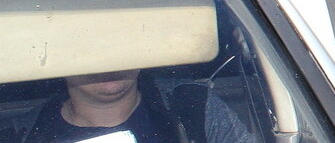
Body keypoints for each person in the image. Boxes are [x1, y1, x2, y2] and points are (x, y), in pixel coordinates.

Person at [13, 69, 257, 142]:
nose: (109, 61)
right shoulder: (19, 134)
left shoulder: (192, 107)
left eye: (119, 43)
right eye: (90, 47)